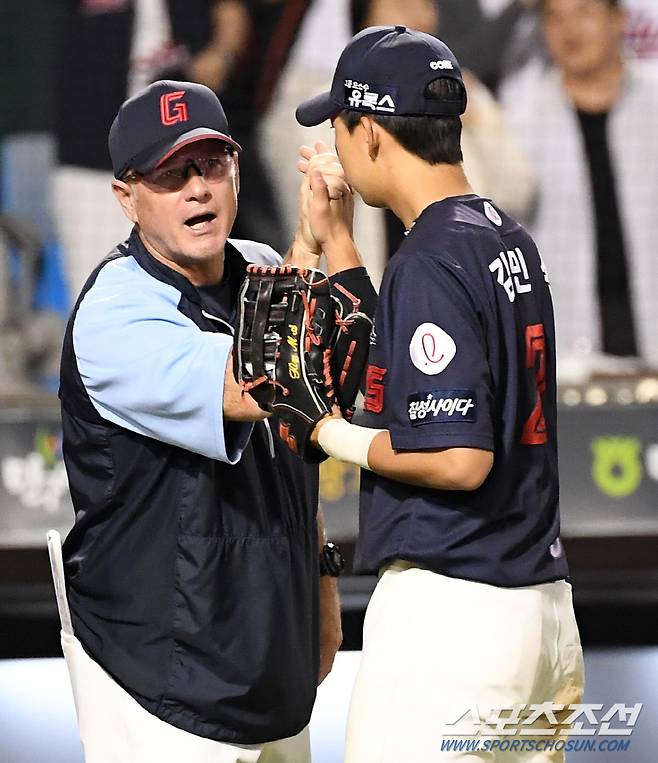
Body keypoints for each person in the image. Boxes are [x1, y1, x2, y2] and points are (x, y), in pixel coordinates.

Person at [295, 26, 584, 761]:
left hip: (458, 615)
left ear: (369, 132)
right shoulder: (500, 236)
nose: (335, 137)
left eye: (338, 122)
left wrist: (329, 432)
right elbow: (407, 364)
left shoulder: (430, 258)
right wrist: (339, 243)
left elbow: (458, 456)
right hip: (540, 609)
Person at [55, 79, 344, 763]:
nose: (198, 189)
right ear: (127, 194)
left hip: (270, 671)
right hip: (157, 688)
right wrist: (314, 242)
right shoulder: (114, 310)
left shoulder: (264, 267)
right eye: (171, 173)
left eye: (211, 164)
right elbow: (257, 384)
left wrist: (325, 582)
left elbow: (294, 446)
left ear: (238, 170)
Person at [501, 0, 658, 378]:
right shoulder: (519, 113)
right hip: (568, 351)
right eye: (555, 18)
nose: (569, 30)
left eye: (584, 12)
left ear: (619, 19)